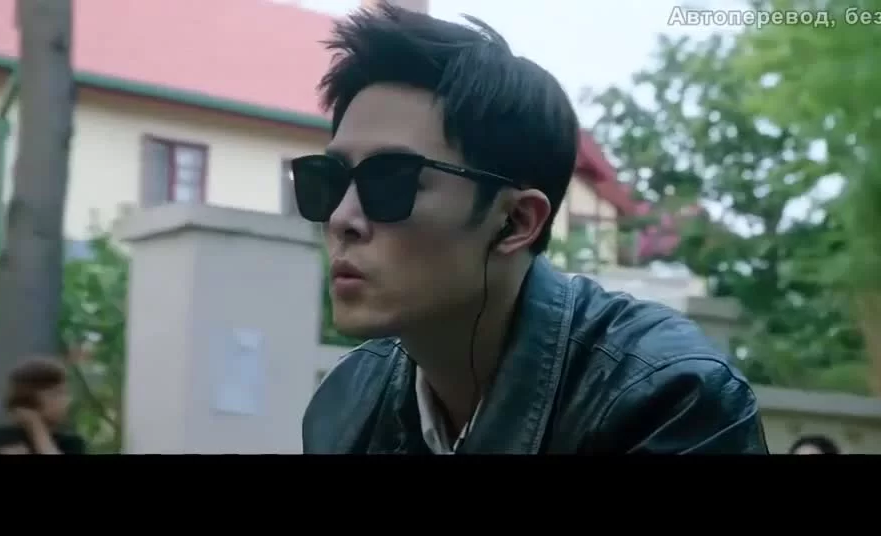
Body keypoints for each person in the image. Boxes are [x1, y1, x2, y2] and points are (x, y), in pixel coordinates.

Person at [297, 5, 767, 454]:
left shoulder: (668, 398)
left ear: (516, 222)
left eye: (389, 181)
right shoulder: (346, 406)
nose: (340, 218)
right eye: (329, 180)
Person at [0, 356, 85, 454]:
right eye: (57, 393)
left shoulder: (70, 443)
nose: (67, 401)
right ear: (29, 397)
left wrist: (36, 427)